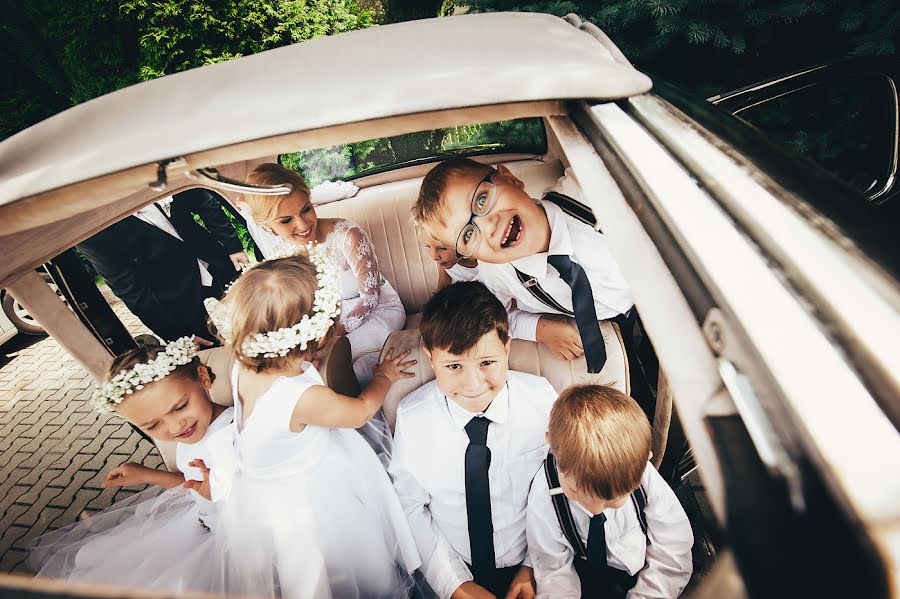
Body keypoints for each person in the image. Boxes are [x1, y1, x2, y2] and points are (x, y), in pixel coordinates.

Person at [205, 250, 422, 599]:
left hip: (262, 491)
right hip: (305, 500)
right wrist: (383, 376)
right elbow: (361, 411)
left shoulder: (246, 364)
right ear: (315, 332)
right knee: (326, 570)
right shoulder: (300, 399)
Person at [413, 159, 654, 418]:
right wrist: (540, 329)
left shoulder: (589, 189)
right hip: (609, 322)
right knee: (636, 388)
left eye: (481, 200)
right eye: (468, 236)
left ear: (509, 178)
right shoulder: (497, 273)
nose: (489, 226)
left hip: (662, 295)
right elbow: (498, 319)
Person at [390, 281, 558, 599]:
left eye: (487, 363)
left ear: (506, 347)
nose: (473, 384)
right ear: (430, 356)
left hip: (536, 560)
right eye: (454, 366)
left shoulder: (542, 401)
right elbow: (410, 506)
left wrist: (535, 564)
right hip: (453, 566)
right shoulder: (414, 418)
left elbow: (561, 487)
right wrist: (455, 584)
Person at [28, 338, 235, 593]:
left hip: (236, 539)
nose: (174, 427)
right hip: (202, 523)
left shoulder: (233, 433)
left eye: (180, 407)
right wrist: (148, 475)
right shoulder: (191, 432)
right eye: (152, 426)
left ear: (203, 377)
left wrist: (221, 496)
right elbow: (193, 486)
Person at [243, 163, 406, 386]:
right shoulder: (279, 257)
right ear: (267, 227)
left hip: (376, 310)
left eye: (306, 209)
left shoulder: (348, 235)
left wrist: (332, 332)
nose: (302, 224)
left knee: (351, 364)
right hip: (325, 325)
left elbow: (370, 298)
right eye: (286, 220)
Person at [526, 384, 693, 598]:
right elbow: (553, 570)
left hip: (649, 570)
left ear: (645, 462)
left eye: (613, 499)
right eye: (576, 490)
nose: (594, 509)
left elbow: (673, 545)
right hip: (584, 577)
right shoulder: (544, 494)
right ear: (551, 445)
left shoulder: (640, 473)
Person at [77, 188, 248, 343]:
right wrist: (179, 335)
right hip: (180, 301)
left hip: (220, 266)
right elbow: (130, 291)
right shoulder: (92, 231)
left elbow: (204, 202)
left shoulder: (156, 179)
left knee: (254, 319)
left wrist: (232, 246)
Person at [416, 223, 585, 362]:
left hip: (518, 301)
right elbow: (441, 292)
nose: (433, 255)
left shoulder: (493, 269)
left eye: (442, 247)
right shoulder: (449, 264)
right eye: (427, 247)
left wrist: (541, 329)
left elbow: (495, 316)